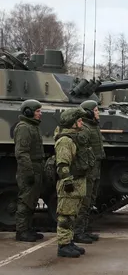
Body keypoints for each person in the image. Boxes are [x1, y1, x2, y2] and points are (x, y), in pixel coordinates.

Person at [54, 107, 95, 258]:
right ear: (71, 123)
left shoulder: (75, 138)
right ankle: (63, 245)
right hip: (70, 184)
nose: (81, 123)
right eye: (78, 120)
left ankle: (69, 241)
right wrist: (67, 182)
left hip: (78, 182)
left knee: (72, 215)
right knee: (65, 215)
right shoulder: (65, 140)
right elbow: (62, 165)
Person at [74, 100, 105, 243]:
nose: (98, 113)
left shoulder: (93, 127)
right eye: (96, 110)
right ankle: (78, 232)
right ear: (89, 112)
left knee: (91, 199)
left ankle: (84, 229)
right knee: (84, 201)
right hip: (89, 169)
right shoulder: (85, 129)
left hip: (95, 168)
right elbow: (80, 151)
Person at [14, 99, 45, 242]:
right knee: (25, 200)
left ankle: (28, 228)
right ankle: (21, 231)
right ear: (28, 112)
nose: (40, 114)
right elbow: (22, 153)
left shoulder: (33, 126)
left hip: (36, 167)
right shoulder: (24, 127)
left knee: (32, 200)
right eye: (38, 111)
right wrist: (29, 172)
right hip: (29, 168)